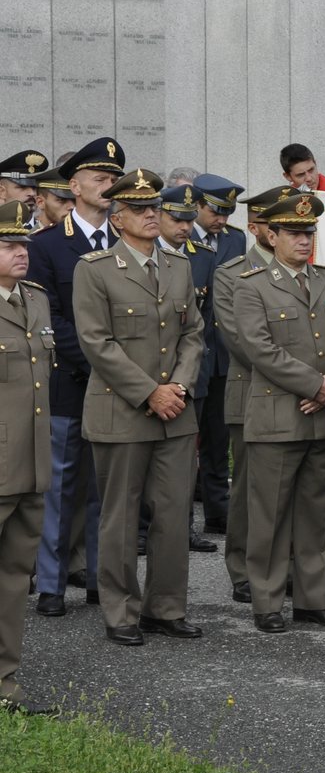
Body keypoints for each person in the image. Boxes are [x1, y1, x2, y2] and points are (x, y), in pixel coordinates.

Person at [75, 168, 206, 646]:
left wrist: (181, 387)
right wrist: (150, 391)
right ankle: (121, 611)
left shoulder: (179, 267)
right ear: (118, 217)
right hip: (123, 411)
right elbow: (96, 342)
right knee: (121, 517)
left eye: (156, 208)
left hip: (176, 411)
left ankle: (165, 608)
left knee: (173, 515)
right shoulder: (95, 269)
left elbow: (193, 332)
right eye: (140, 210)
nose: (153, 216)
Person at [234, 192, 325, 632]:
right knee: (271, 515)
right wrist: (314, 384)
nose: (304, 241)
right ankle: (266, 601)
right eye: (295, 234)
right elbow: (258, 348)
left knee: (314, 514)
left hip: (322, 413)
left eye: (309, 233)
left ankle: (312, 598)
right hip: (278, 416)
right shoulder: (252, 284)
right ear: (272, 234)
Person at [29, 136, 125, 620]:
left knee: (106, 487)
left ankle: (96, 576)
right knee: (62, 484)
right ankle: (50, 582)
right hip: (71, 380)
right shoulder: (46, 245)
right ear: (75, 184)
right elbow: (51, 322)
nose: (108, 187)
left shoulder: (127, 241)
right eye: (99, 179)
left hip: (121, 388)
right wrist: (107, 363)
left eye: (114, 180)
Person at [212, 186, 296, 603]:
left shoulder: (304, 269)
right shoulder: (232, 274)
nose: (279, 230)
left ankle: (287, 565)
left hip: (302, 395)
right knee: (250, 490)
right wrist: (306, 380)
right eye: (270, 223)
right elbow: (242, 343)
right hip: (252, 396)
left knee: (293, 491)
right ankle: (244, 568)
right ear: (256, 227)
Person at [0, 202, 54, 711]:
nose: (22, 253)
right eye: (10, 245)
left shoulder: (33, 301)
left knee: (15, 579)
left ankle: (5, 684)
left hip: (31, 464)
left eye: (24, 245)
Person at [153, 185, 218, 552]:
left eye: (190, 219)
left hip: (190, 372)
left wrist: (188, 374)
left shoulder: (203, 257)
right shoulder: (144, 254)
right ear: (159, 215)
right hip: (147, 374)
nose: (184, 227)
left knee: (186, 455)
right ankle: (144, 529)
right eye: (177, 218)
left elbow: (204, 323)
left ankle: (183, 527)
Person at [188, 175, 245, 539]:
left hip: (223, 353)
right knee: (184, 443)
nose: (220, 220)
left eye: (227, 212)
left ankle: (218, 512)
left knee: (217, 439)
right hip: (193, 354)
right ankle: (181, 523)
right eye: (214, 211)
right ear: (195, 205)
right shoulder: (181, 236)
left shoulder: (235, 239)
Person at [279, 143, 325, 213]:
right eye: (301, 175)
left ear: (315, 164)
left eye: (311, 170)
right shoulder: (283, 203)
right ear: (288, 177)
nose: (309, 178)